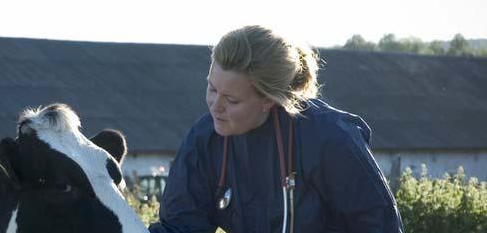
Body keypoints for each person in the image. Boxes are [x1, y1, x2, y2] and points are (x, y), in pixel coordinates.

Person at [148, 25, 403, 233]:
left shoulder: (332, 139)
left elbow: (381, 226)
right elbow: (179, 228)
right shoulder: (204, 142)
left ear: (269, 99)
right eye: (212, 89)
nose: (216, 106)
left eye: (232, 100)